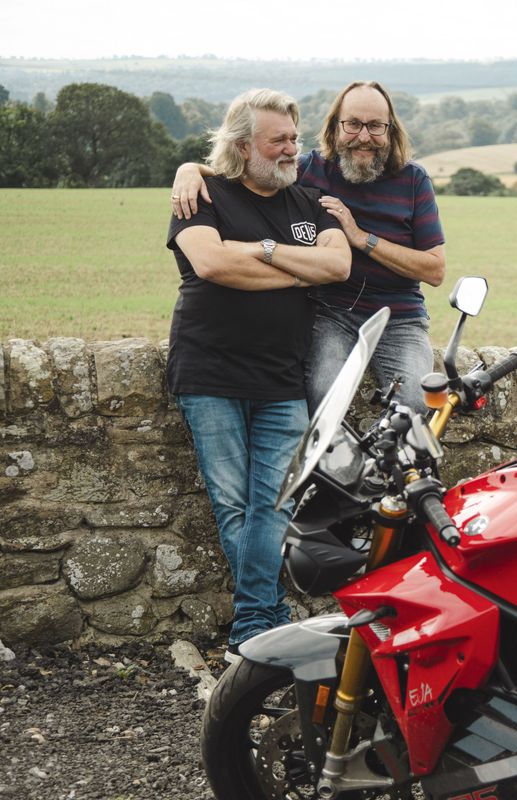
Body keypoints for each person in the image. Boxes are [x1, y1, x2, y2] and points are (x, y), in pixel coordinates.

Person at [167, 88, 351, 660]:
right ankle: (263, 621)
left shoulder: (311, 204)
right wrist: (298, 271)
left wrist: (263, 251)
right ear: (244, 147)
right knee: (235, 505)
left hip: (281, 380)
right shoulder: (202, 194)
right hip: (209, 372)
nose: (292, 148)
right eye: (280, 140)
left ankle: (253, 627)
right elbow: (212, 263)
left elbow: (338, 266)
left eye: (295, 138)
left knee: (273, 504)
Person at [172, 80, 446, 414]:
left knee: (417, 404)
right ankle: (333, 467)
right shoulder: (309, 170)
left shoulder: (413, 180)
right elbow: (249, 169)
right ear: (334, 127)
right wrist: (189, 170)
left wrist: (362, 239)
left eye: (376, 126)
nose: (364, 136)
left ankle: (380, 467)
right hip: (332, 312)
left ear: (391, 130)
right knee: (321, 394)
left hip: (401, 318)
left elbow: (434, 270)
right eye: (353, 124)